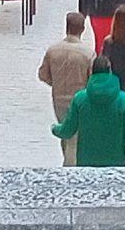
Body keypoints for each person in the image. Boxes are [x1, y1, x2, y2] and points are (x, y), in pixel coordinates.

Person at [53, 54, 125, 166]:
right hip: (116, 163)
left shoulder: (80, 99)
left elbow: (67, 131)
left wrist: (54, 128)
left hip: (86, 163)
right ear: (110, 72)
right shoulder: (123, 100)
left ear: (91, 72)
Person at [37, 11, 94, 165]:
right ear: (82, 29)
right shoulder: (88, 54)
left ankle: (68, 163)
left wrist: (55, 83)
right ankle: (70, 168)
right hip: (80, 100)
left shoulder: (53, 50)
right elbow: (92, 81)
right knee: (74, 137)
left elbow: (43, 75)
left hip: (59, 99)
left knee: (66, 133)